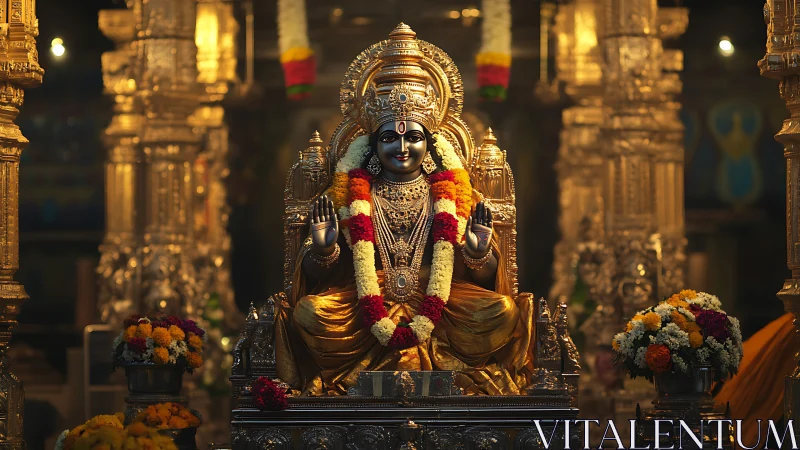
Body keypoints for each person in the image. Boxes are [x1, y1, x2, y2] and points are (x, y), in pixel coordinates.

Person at [274, 24, 536, 396]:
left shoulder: (451, 194)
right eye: (389, 137)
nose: (402, 146)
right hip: (365, 305)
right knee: (309, 313)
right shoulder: (351, 195)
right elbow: (317, 278)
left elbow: (486, 277)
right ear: (373, 142)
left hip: (440, 302)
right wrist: (323, 249)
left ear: (429, 143)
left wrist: (479, 256)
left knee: (502, 312)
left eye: (412, 136)